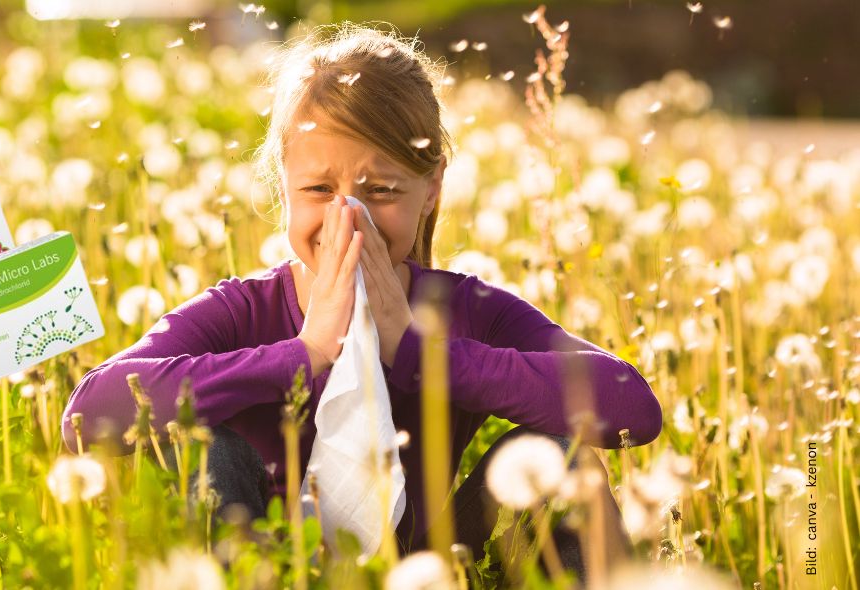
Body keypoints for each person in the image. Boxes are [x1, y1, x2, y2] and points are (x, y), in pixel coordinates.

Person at [61, 22, 663, 583]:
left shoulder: (468, 308)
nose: (348, 219)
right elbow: (87, 416)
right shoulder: (242, 310)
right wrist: (305, 354)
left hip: (425, 568)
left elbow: (632, 408)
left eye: (381, 191)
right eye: (319, 189)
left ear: (431, 191)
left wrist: (421, 353)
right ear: (283, 184)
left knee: (562, 457)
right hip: (262, 562)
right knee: (206, 451)